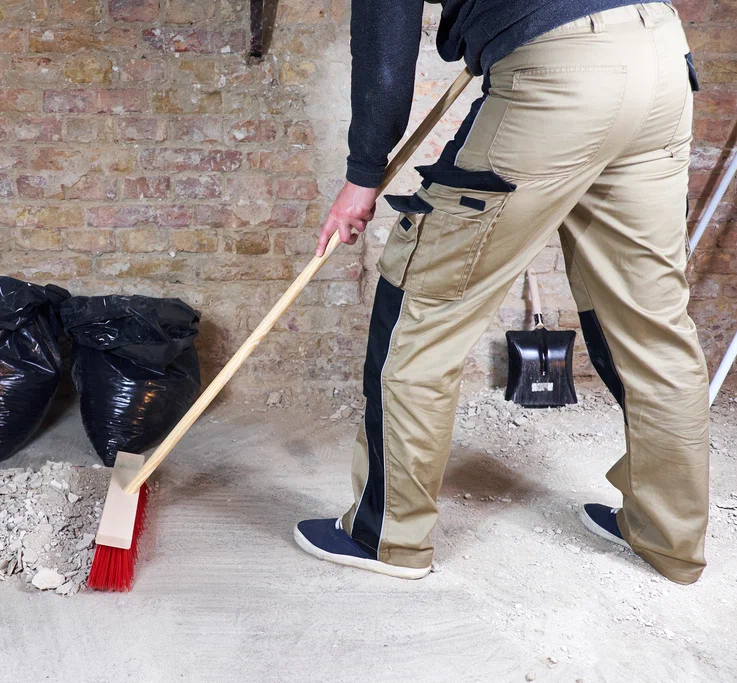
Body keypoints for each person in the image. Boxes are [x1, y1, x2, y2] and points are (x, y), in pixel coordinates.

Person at [294, 0, 710, 585]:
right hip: (660, 53)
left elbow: (386, 39)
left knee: (422, 300)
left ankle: (386, 535)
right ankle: (670, 537)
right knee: (653, 324)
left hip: (561, 74)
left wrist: (364, 173)